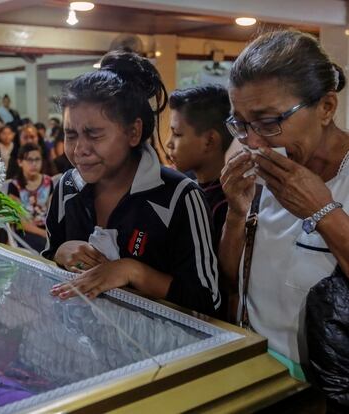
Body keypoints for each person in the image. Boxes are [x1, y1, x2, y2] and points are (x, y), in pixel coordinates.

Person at [219, 30, 349, 406]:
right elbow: (232, 281)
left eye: (268, 121)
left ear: (326, 107)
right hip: (256, 374)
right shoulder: (261, 173)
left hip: (324, 390)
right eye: (240, 123)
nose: (253, 141)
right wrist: (236, 213)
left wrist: (322, 210)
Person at [45, 50, 221, 316]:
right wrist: (59, 253)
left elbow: (208, 301)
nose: (80, 149)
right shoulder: (67, 187)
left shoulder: (179, 196)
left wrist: (132, 271)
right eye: (71, 135)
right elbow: (44, 268)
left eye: (94, 134)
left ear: (133, 132)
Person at [166, 85, 233, 245]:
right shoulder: (190, 188)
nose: (169, 143)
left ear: (209, 140)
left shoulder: (226, 205)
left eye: (177, 134)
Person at [8, 143, 54, 253]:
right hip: (26, 231)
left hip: (46, 229)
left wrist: (50, 233)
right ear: (20, 162)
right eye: (29, 160)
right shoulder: (14, 185)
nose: (34, 164)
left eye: (37, 159)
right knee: (45, 247)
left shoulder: (48, 182)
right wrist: (44, 234)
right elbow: (21, 223)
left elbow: (52, 213)